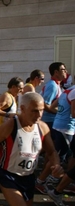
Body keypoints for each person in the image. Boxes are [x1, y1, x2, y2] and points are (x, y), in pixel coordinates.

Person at [35, 62, 67, 193]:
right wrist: (60, 112)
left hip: (52, 122)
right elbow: (45, 104)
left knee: (50, 151)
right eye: (63, 69)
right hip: (49, 122)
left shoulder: (57, 85)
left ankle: (44, 177)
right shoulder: (53, 86)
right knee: (52, 151)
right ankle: (42, 180)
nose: (65, 71)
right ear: (56, 72)